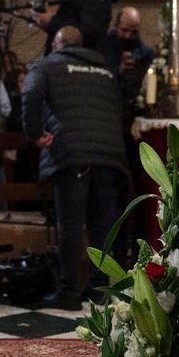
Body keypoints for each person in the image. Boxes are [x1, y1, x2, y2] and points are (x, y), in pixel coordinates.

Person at [22, 27, 128, 310]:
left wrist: (34, 133)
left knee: (70, 225)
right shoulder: (104, 69)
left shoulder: (47, 64)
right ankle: (98, 288)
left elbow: (30, 93)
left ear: (57, 44)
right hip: (109, 154)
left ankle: (68, 292)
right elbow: (118, 106)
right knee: (100, 224)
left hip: (71, 153)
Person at [107, 5, 157, 109]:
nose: (128, 36)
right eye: (124, 30)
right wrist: (119, 71)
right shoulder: (105, 49)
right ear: (116, 26)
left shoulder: (146, 54)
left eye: (134, 32)